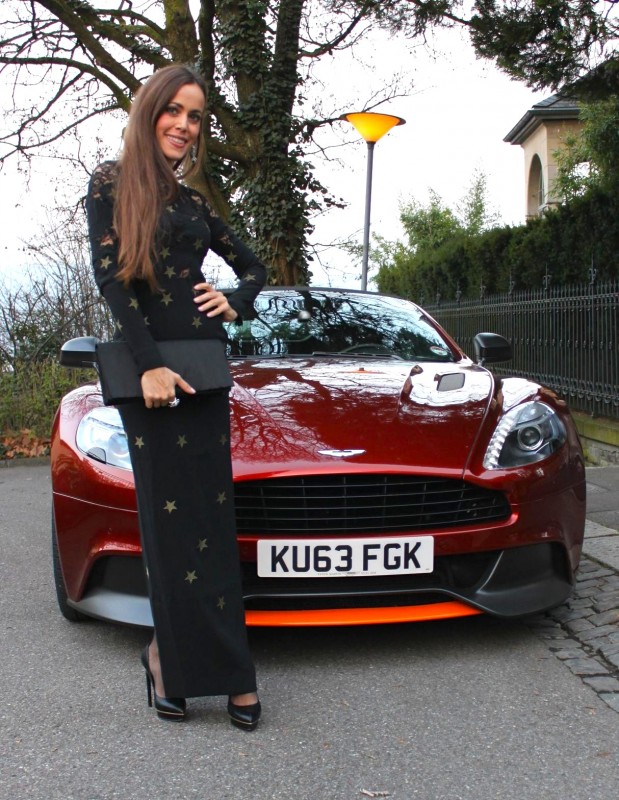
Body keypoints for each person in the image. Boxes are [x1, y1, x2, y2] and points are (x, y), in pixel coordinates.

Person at [85, 65, 266, 728]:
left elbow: (253, 266)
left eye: (195, 117)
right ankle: (167, 659)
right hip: (151, 378)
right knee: (168, 530)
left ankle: (233, 672)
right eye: (175, 111)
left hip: (206, 372)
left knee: (212, 527)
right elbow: (112, 282)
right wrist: (150, 367)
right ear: (150, 111)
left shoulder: (194, 204)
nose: (184, 126)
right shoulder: (110, 183)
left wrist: (235, 299)